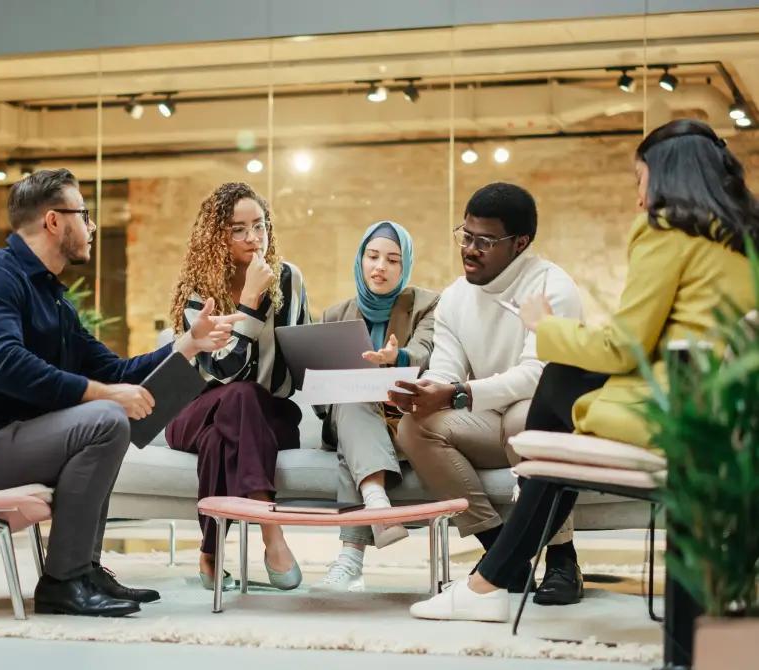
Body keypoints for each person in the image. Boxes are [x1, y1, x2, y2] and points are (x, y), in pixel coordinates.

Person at [408, 118, 757, 622]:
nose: (639, 199)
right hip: (725, 410)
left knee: (553, 390)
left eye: (640, 181)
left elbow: (625, 346)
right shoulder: (741, 237)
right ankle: (511, 568)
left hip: (680, 412)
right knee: (557, 391)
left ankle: (496, 578)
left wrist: (543, 326)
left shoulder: (665, 233)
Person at [0, 169, 240, 617]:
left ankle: (83, 570)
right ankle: (63, 582)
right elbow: (2, 365)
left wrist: (188, 344)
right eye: (83, 214)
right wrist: (103, 395)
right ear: (53, 221)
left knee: (114, 413)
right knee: (107, 416)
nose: (91, 226)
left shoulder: (52, 299)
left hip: (17, 441)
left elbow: (115, 370)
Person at [392, 182, 585, 605]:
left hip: (538, 417)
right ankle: (499, 550)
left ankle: (561, 559)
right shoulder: (455, 298)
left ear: (520, 243)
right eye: (465, 235)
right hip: (486, 417)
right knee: (415, 426)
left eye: (485, 240)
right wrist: (424, 391)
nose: (470, 249)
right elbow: (445, 369)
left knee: (524, 415)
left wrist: (457, 393)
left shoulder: (553, 286)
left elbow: (539, 375)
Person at [166, 182, 310, 591]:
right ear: (217, 235)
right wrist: (248, 302)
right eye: (238, 229)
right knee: (238, 396)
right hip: (196, 412)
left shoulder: (288, 279)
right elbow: (224, 372)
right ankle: (271, 531)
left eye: (259, 226)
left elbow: (299, 358)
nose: (253, 238)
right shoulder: (200, 292)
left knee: (225, 433)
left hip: (268, 416)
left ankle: (210, 551)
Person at [310, 221, 439, 592]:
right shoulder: (335, 314)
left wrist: (396, 357)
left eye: (392, 260)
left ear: (405, 267)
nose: (380, 267)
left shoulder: (427, 305)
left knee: (353, 442)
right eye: (372, 256)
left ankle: (351, 557)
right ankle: (378, 505)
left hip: (404, 420)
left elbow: (426, 352)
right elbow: (324, 401)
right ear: (360, 260)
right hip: (351, 417)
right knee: (352, 397)